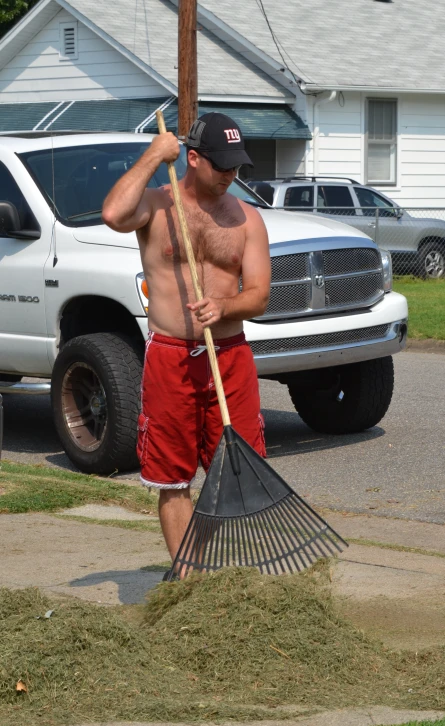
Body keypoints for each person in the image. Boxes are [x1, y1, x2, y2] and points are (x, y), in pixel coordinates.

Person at [102, 113, 271, 574]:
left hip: (229, 356)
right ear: (193, 159)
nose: (230, 176)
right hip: (171, 357)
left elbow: (258, 294)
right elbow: (113, 214)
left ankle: (191, 557)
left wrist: (225, 306)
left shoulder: (248, 220)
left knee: (238, 475)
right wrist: (154, 155)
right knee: (172, 478)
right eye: (221, 166)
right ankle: (188, 577)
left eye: (237, 167)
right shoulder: (156, 206)